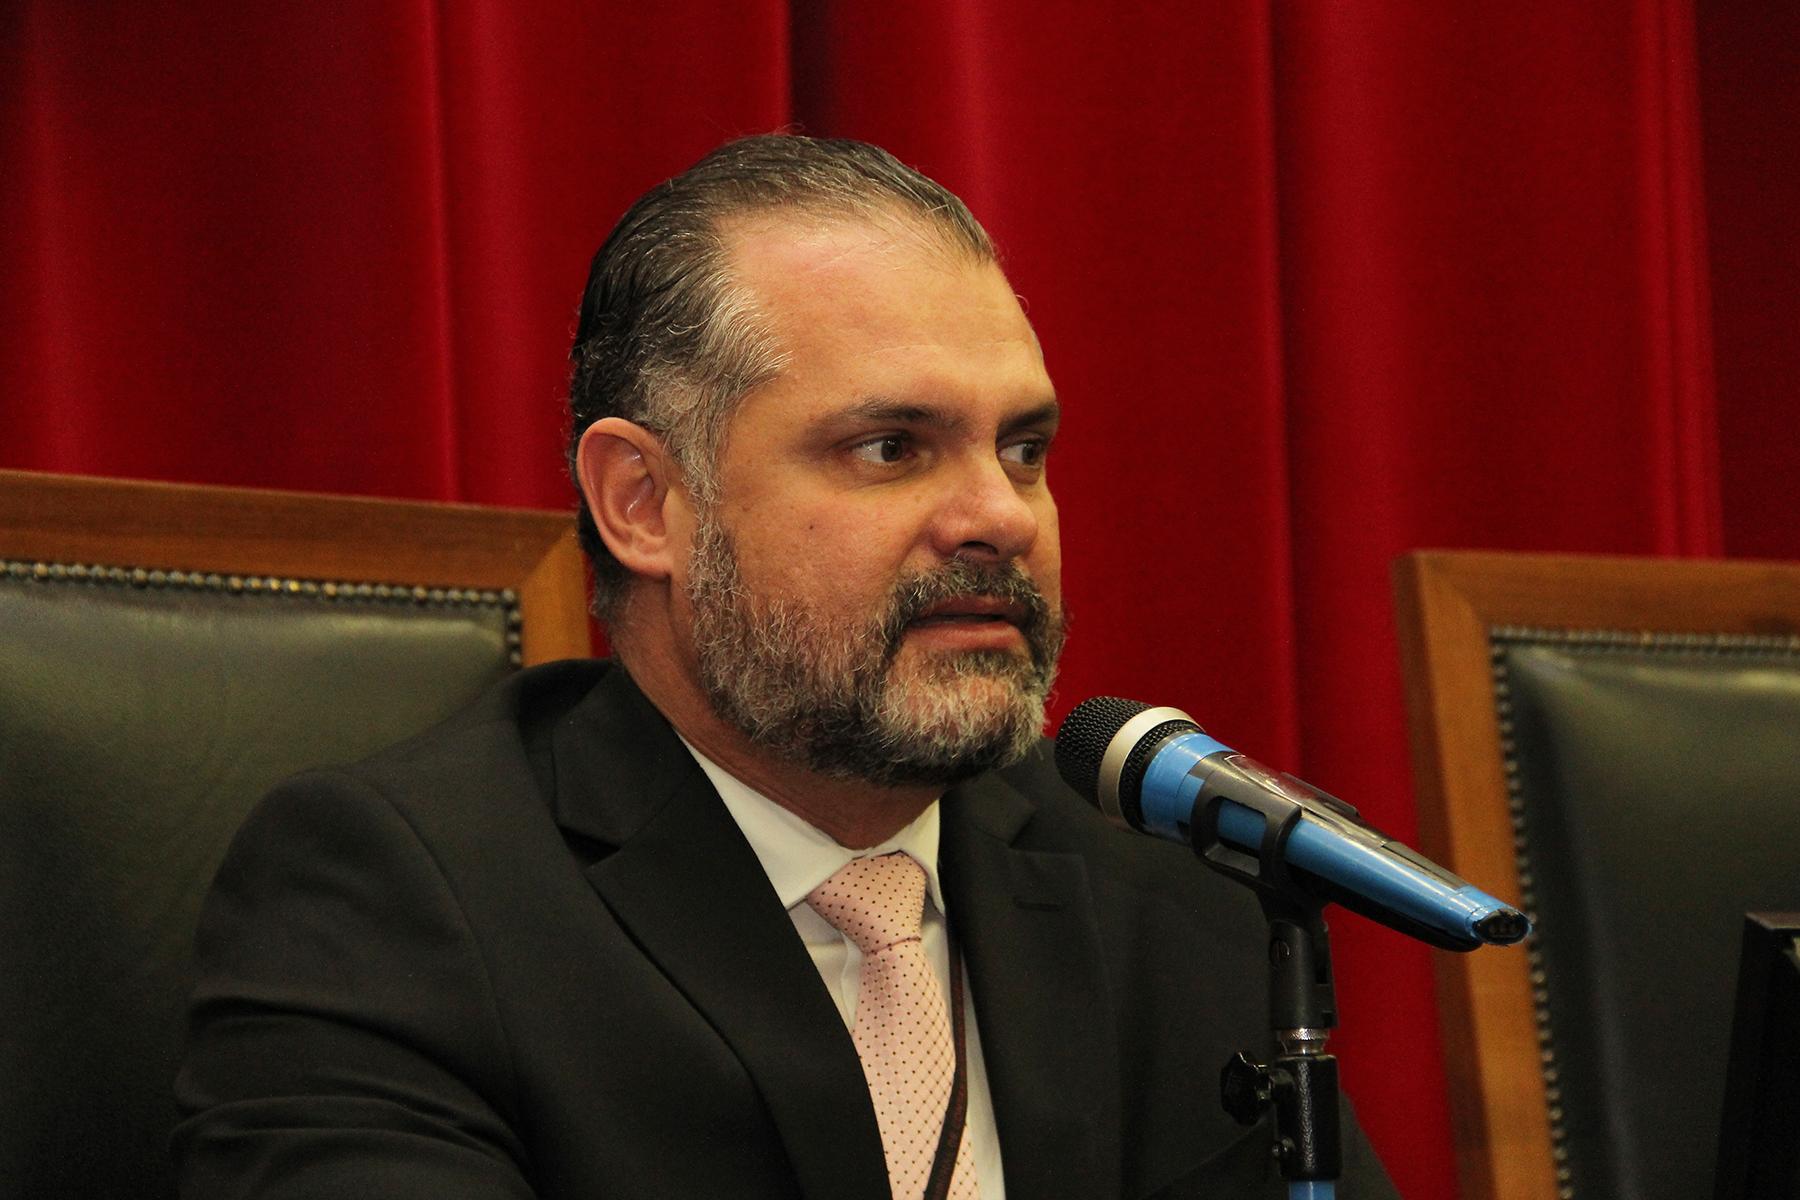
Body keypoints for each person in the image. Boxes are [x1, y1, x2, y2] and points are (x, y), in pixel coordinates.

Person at [174, 135, 1398, 1199]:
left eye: (1023, 450)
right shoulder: (396, 900)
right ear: (643, 501)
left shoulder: (1172, 886)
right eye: (891, 447)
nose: (1000, 516)